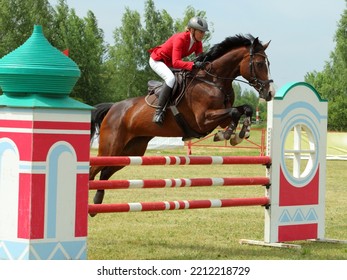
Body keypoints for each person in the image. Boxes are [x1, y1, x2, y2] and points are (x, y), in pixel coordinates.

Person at [148, 16, 209, 125]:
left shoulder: (198, 42)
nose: (203, 35)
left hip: (170, 63)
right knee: (170, 79)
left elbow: (200, 58)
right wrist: (193, 64)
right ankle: (158, 112)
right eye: (201, 32)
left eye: (204, 32)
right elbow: (176, 62)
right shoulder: (180, 39)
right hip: (158, 60)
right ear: (192, 30)